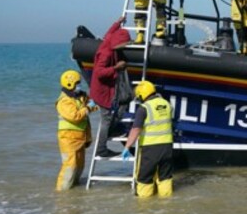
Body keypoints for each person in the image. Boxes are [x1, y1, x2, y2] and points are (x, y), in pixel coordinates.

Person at [122, 81, 174, 198]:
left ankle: (144, 209)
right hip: (167, 148)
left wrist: (127, 147)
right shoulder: (166, 104)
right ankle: (166, 204)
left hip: (150, 148)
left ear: (142, 95)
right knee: (165, 177)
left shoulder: (144, 108)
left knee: (144, 179)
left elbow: (135, 130)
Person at [90, 17, 131, 158]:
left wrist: (118, 22)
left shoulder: (109, 40)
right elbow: (99, 72)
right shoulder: (106, 53)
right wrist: (116, 67)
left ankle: (113, 129)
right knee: (106, 119)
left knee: (123, 103)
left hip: (105, 88)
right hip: (102, 91)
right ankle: (101, 148)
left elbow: (110, 32)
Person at [55, 70, 98, 191]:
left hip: (80, 137)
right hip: (68, 138)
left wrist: (95, 104)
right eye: (77, 83)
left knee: (79, 166)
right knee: (70, 166)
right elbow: (75, 116)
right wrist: (88, 108)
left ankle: (74, 193)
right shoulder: (64, 101)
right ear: (69, 84)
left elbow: (92, 105)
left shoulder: (80, 96)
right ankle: (62, 193)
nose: (79, 85)